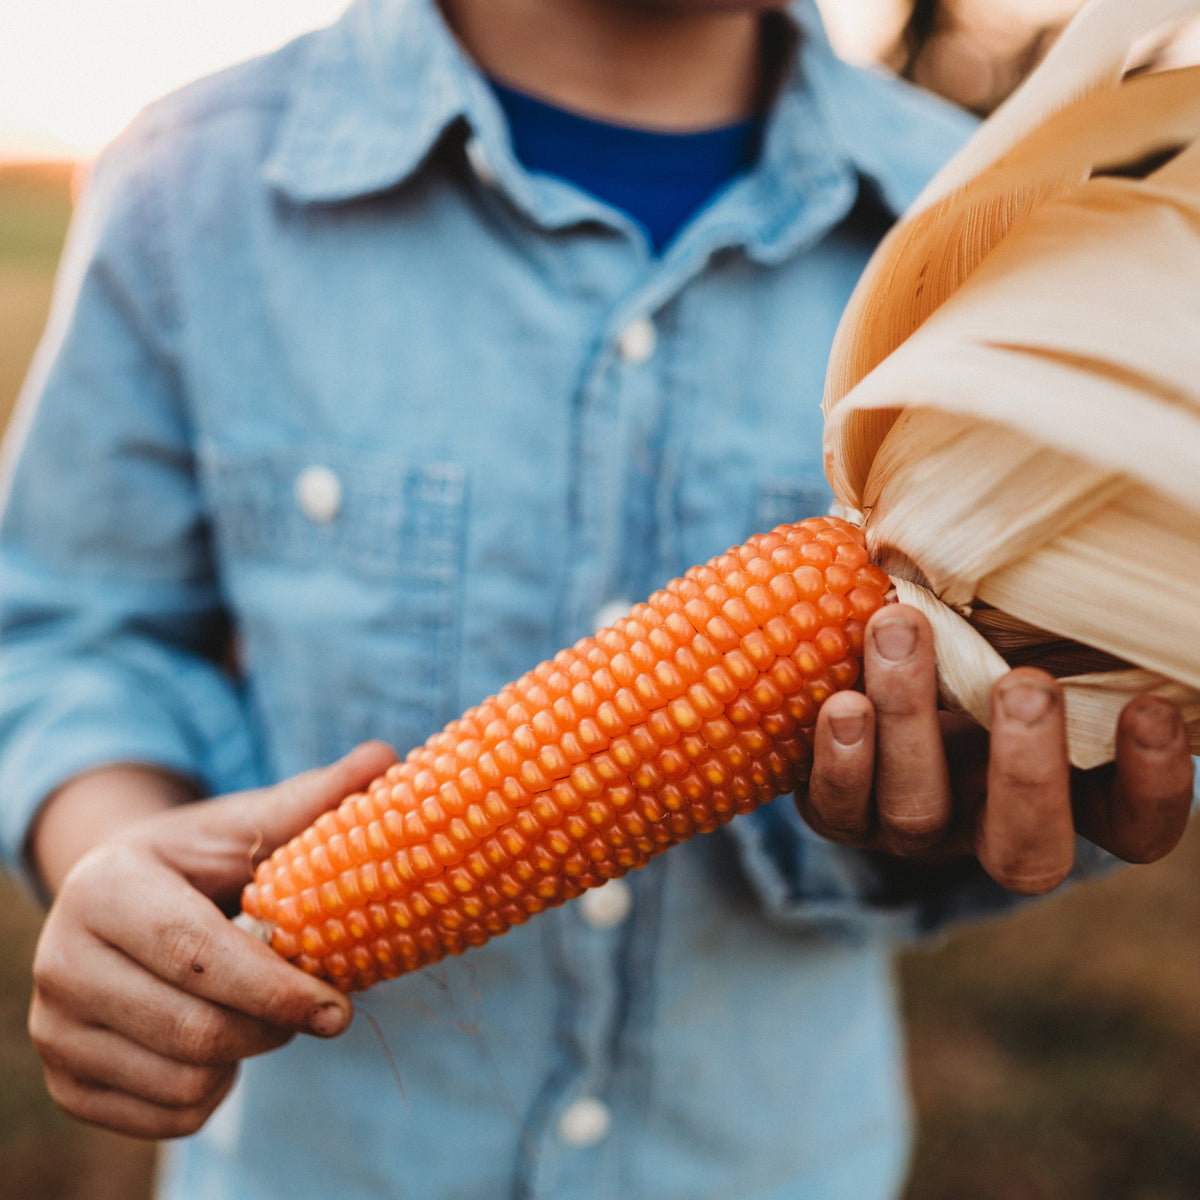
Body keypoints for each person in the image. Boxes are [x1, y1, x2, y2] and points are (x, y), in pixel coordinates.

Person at [0, 1, 1193, 1197]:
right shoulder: (192, 183)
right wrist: (113, 851)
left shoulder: (1015, 227)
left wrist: (977, 818)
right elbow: (69, 629)